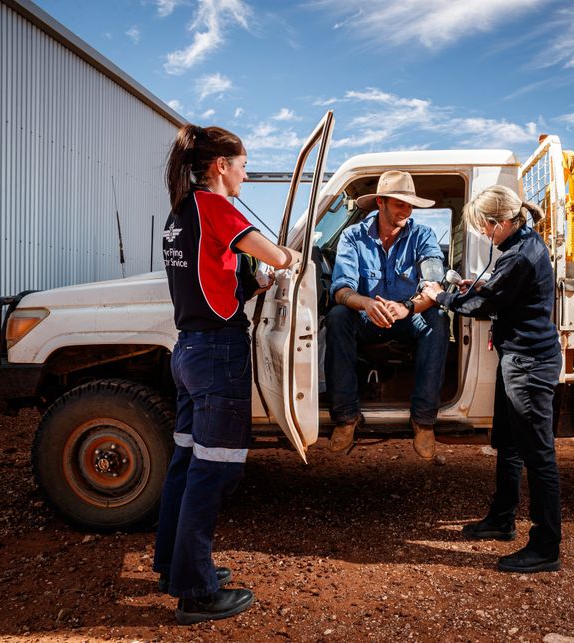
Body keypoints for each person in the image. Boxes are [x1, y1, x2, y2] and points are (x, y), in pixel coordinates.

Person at [154, 124, 301, 625]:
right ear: (221, 165)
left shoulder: (181, 212)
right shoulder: (216, 206)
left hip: (188, 350)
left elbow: (213, 278)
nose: (245, 174)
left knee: (185, 461)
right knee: (214, 469)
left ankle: (171, 565)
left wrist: (253, 284)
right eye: (242, 165)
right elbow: (276, 254)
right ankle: (195, 591)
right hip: (218, 354)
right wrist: (288, 260)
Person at [421, 185, 563, 574]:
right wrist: (478, 286)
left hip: (529, 363)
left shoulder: (518, 254)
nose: (484, 234)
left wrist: (441, 296)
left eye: (485, 227)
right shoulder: (522, 245)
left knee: (538, 455)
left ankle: (546, 547)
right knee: (509, 443)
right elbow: (502, 294)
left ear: (500, 222)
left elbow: (483, 306)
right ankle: (502, 519)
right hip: (519, 357)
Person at [325, 171, 450, 459]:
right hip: (366, 318)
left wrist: (407, 307)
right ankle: (346, 418)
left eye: (410, 205)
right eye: (399, 204)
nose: (406, 210)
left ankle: (423, 420)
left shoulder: (423, 235)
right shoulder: (353, 236)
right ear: (380, 202)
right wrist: (367, 304)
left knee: (439, 320)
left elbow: (433, 283)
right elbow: (341, 289)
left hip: (408, 316)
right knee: (338, 317)